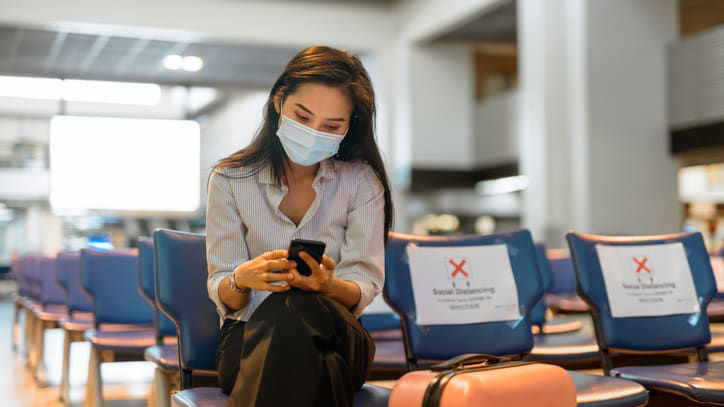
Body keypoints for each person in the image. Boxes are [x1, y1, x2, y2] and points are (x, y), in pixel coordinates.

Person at [205, 45, 394, 407]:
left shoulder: (361, 182)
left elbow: (365, 286)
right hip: (248, 338)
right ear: (279, 102)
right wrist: (241, 279)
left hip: (339, 332)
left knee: (296, 305)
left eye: (331, 126)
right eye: (302, 117)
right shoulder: (230, 178)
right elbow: (222, 288)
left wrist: (328, 285)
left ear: (349, 125)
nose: (313, 132)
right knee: (301, 336)